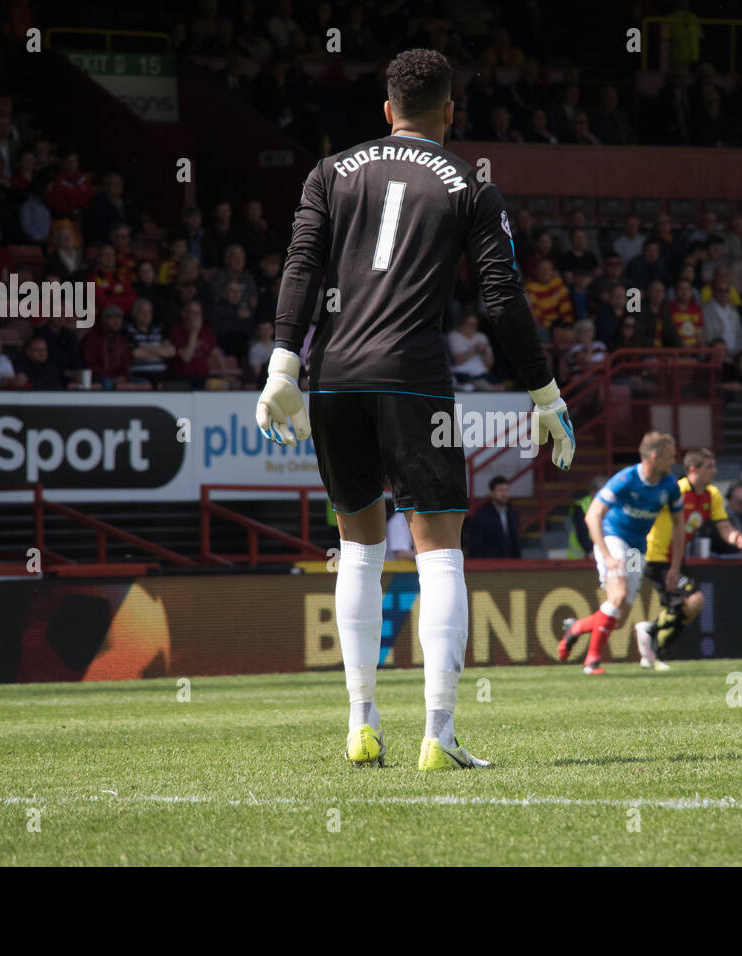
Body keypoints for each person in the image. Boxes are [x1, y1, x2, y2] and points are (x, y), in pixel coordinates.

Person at [253, 49, 573, 771]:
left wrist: (282, 363)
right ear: (451, 110)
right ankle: (440, 733)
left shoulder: (329, 172)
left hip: (333, 379)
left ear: (387, 109)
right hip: (415, 381)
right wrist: (544, 392)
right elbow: (501, 300)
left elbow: (301, 265)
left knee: (361, 551)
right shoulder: (471, 186)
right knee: (440, 557)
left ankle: (361, 723)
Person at [556, 432, 682, 675]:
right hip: (613, 539)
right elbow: (592, 515)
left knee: (620, 618)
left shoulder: (669, 485)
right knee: (618, 593)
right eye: (670, 456)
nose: (673, 461)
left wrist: (675, 566)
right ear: (654, 457)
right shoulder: (625, 479)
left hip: (637, 549)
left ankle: (577, 628)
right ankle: (592, 662)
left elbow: (679, 524)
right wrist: (607, 554)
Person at [632, 449, 742, 670]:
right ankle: (650, 631)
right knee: (694, 601)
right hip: (655, 556)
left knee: (689, 608)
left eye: (714, 466)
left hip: (675, 557)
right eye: (709, 466)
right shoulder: (677, 491)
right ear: (692, 469)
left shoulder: (712, 495)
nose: (714, 471)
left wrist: (736, 537)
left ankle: (653, 650)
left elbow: (723, 525)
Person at [469, 476, 520, 558]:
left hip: (510, 563)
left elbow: (516, 542)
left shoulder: (512, 513)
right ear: (491, 493)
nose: (504, 494)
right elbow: (476, 545)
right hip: (489, 564)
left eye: (506, 490)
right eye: (500, 490)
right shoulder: (482, 515)